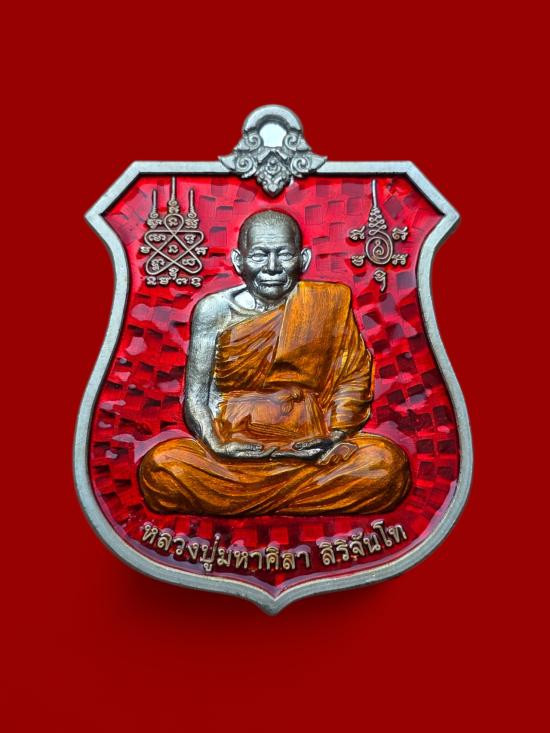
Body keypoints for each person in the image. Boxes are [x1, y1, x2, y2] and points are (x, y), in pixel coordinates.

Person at [139, 210, 410, 515]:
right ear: (238, 261)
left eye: (284, 255)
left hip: (311, 450)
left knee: (385, 466)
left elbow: (352, 377)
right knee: (162, 468)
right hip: (234, 452)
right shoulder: (213, 310)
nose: (272, 267)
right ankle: (284, 498)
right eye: (259, 255)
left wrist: (333, 437)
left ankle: (249, 501)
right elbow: (196, 398)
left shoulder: (329, 302)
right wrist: (216, 445)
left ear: (303, 260)